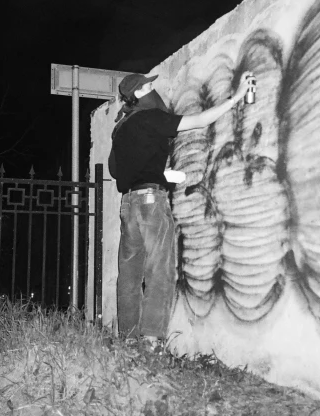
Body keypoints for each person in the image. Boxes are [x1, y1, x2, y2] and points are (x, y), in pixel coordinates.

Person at [108, 71, 255, 346]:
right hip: (151, 203)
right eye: (148, 86)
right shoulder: (150, 117)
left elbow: (117, 171)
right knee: (160, 271)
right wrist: (235, 97)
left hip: (128, 205)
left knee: (129, 277)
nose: (154, 88)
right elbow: (198, 121)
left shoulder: (120, 128)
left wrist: (164, 174)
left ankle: (127, 340)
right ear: (139, 94)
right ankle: (151, 340)